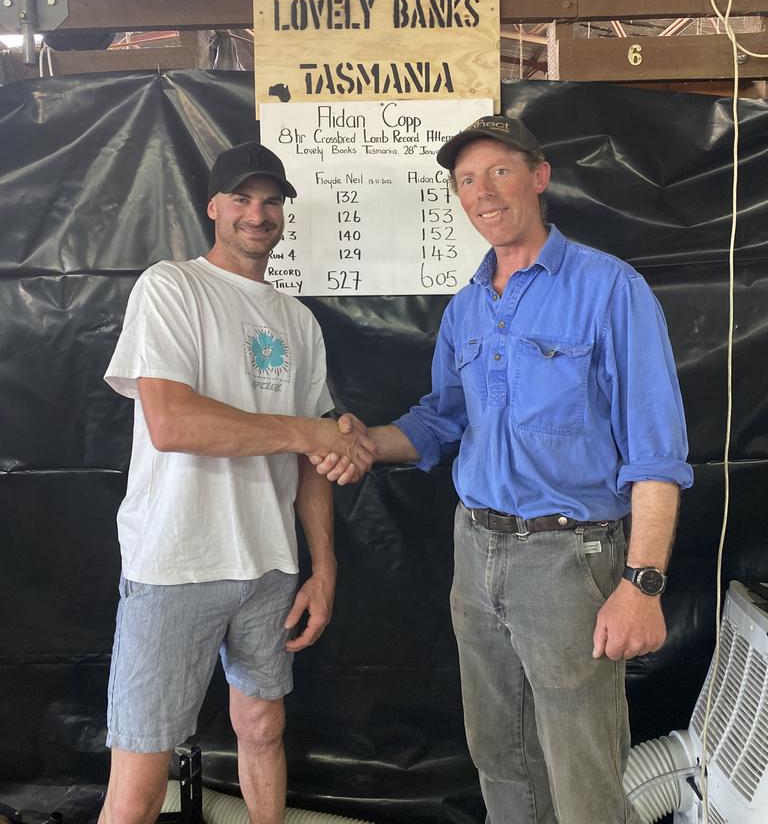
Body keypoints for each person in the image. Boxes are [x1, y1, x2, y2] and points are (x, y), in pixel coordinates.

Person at [315, 115, 693, 824]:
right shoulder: (467, 309)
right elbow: (439, 421)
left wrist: (641, 584)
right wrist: (366, 440)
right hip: (476, 549)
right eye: (465, 180)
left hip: (569, 559)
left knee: (583, 775)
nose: (482, 192)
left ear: (539, 177)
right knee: (501, 761)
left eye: (499, 171)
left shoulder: (610, 290)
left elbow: (656, 453)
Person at [100, 139, 374, 824]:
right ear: (213, 207)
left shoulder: (297, 322)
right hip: (176, 563)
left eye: (272, 201)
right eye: (244, 200)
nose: (258, 213)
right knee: (137, 781)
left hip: (268, 567)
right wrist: (308, 431)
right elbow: (172, 422)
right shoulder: (171, 288)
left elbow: (316, 463)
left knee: (263, 729)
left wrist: (324, 567)